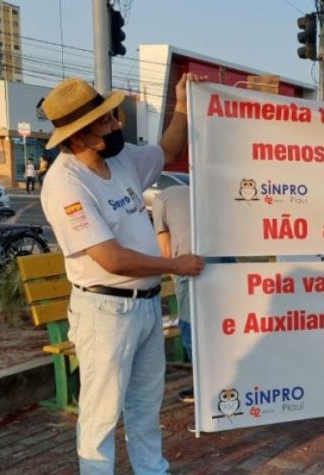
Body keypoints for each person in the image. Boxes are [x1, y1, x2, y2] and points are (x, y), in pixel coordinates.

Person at [40, 74, 205, 474]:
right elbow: (111, 259)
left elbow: (167, 150)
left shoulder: (121, 158)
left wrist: (182, 105)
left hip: (145, 304)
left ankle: (152, 469)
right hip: (106, 311)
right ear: (77, 135)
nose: (116, 124)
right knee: (102, 412)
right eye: (105, 121)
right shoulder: (65, 185)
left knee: (146, 403)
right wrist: (175, 265)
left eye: (112, 116)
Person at [152, 184, 194, 403]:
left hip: (190, 268)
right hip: (224, 267)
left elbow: (166, 252)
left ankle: (203, 388)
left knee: (190, 329)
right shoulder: (201, 190)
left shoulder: (160, 200)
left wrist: (175, 278)